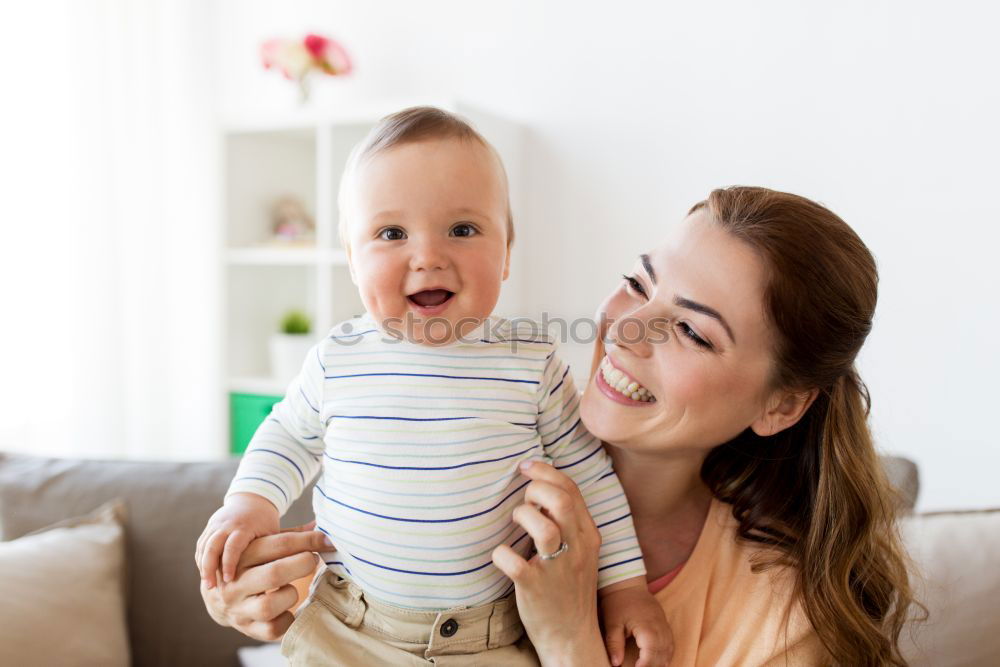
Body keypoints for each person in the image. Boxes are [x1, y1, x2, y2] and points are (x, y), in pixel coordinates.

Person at [201, 186, 919, 665]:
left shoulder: (779, 620)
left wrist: (573, 638)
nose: (629, 328)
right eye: (640, 283)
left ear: (781, 403)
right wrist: (257, 594)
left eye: (694, 333)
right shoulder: (463, 436)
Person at [195, 107, 669, 666]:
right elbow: (289, 436)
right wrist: (248, 503)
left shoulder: (531, 363)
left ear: (507, 254)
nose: (428, 257)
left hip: (491, 635)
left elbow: (589, 479)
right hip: (347, 623)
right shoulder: (337, 359)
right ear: (351, 258)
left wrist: (623, 587)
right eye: (391, 233)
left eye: (463, 230)